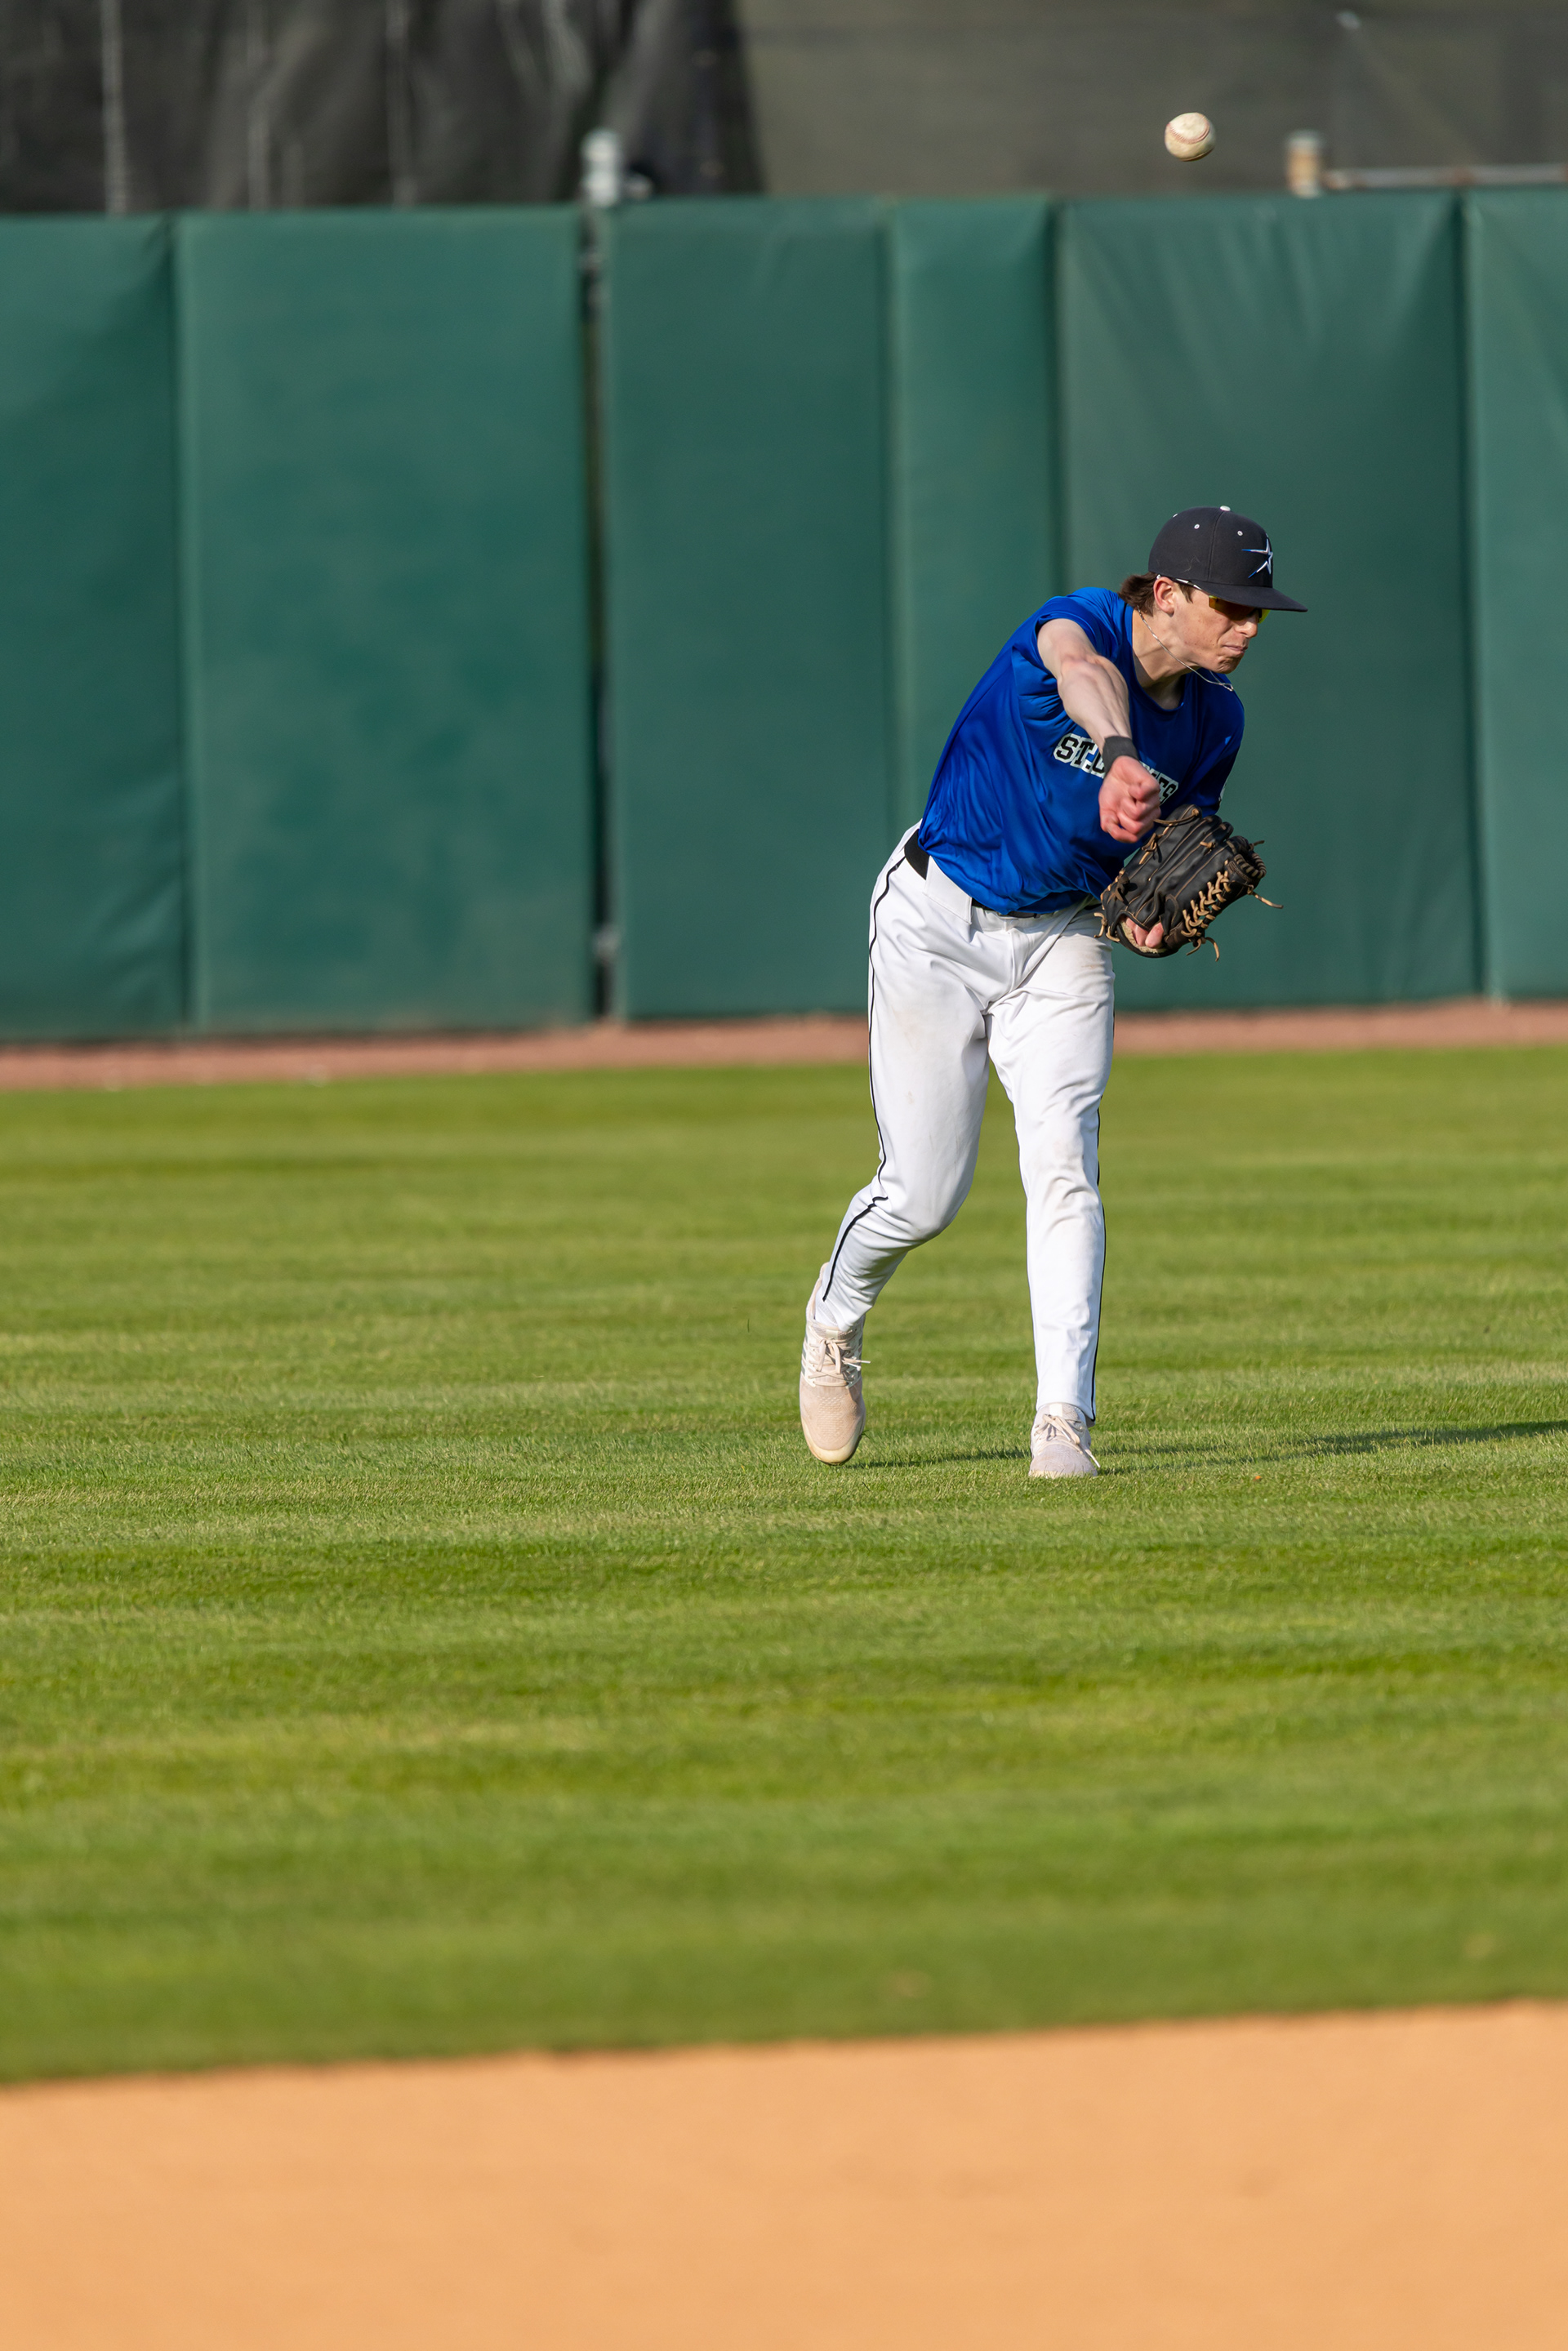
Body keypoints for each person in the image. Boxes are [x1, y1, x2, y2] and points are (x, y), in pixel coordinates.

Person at [799, 505, 1306, 1478]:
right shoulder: (1078, 623)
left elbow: (1159, 861)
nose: (1248, 628)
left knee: (1066, 1167)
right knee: (922, 1195)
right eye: (1230, 606)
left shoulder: (1218, 720)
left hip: (1064, 940)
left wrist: (1150, 920)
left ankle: (1062, 1423)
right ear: (1168, 594)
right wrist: (1118, 751)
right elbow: (1081, 672)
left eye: (1258, 613)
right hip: (937, 920)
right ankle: (834, 1317)